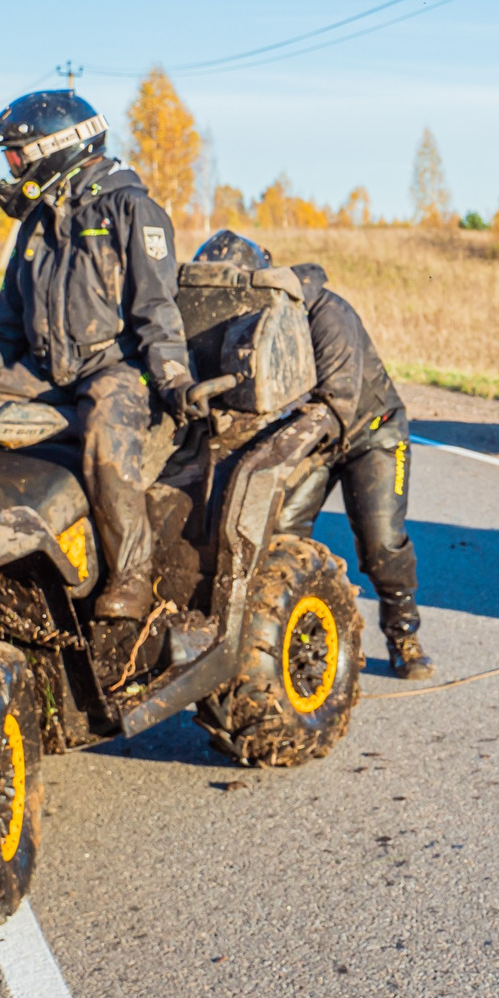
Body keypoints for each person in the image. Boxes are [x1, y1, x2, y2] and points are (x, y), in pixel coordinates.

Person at [0, 90, 198, 620]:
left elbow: (158, 309)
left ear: (57, 148)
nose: (13, 169)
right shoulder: (37, 225)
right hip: (45, 370)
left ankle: (131, 577)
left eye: (17, 156)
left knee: (104, 440)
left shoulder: (132, 210)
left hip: (117, 368)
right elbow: (6, 322)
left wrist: (174, 380)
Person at [193, 231, 429, 680]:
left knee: (380, 540)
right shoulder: (233, 323)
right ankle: (289, 635)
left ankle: (404, 634)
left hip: (369, 432)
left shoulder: (326, 313)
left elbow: (337, 403)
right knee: (279, 535)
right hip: (305, 439)